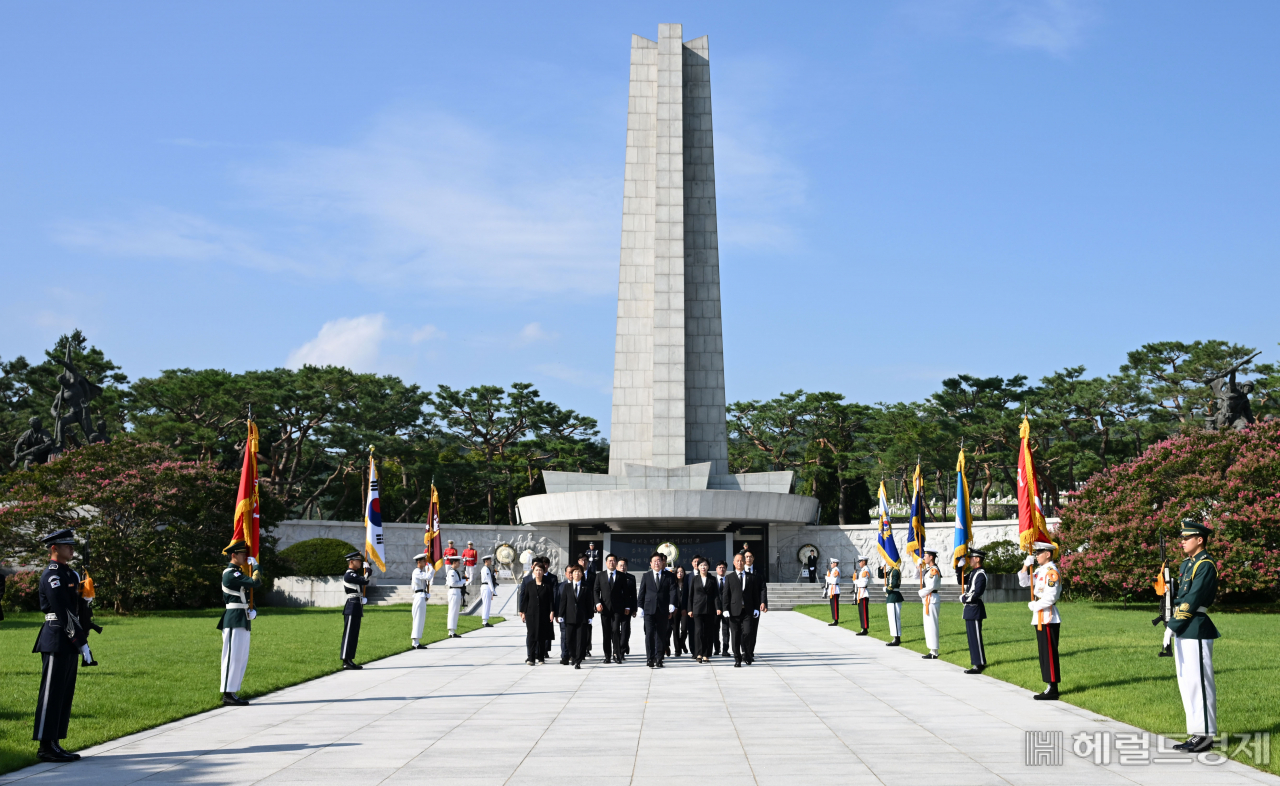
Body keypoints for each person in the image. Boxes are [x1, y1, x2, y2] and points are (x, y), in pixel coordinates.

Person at [31, 529, 86, 762]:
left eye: (72, 545)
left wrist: (87, 599)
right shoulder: (52, 574)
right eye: (67, 546)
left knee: (63, 693)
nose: (72, 549)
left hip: (69, 638)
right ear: (54, 548)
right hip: (56, 637)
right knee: (51, 694)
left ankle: (55, 741)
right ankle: (45, 746)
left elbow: (75, 607)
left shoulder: (70, 573)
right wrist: (81, 641)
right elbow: (62, 610)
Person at [1168, 520, 1220, 753]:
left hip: (1196, 626)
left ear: (1200, 540)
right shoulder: (1187, 564)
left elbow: (1193, 599)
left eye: (1186, 538)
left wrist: (1173, 624)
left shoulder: (1205, 565)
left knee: (1199, 682)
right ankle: (1196, 732)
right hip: (1185, 628)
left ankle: (1206, 735)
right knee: (1187, 683)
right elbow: (1181, 596)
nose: (1182, 541)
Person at [217, 539, 262, 706]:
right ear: (233, 555)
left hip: (242, 616)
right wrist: (256, 567)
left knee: (241, 657)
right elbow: (254, 582)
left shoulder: (238, 573)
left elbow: (245, 594)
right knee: (232, 657)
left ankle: (233, 691)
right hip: (234, 617)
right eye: (243, 554)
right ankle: (227, 693)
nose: (245, 557)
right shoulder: (230, 573)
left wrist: (253, 610)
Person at [1019, 541, 1062, 699]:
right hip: (1040, 616)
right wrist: (1025, 566)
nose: (1036, 556)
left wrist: (1036, 606)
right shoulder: (1040, 571)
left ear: (1048, 554)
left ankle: (1053, 688)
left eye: (1039, 553)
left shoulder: (1051, 571)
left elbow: (1051, 596)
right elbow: (1024, 582)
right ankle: (1049, 685)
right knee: (1044, 652)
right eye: (1036, 553)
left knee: (1049, 653)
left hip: (1048, 616)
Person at [636, 552, 676, 668]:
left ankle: (659, 658)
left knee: (660, 635)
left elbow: (672, 591)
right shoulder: (646, 576)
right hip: (649, 610)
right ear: (651, 564)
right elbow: (642, 592)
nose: (657, 563)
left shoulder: (669, 576)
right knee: (649, 634)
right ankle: (650, 658)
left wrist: (672, 604)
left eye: (659, 560)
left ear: (662, 562)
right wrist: (639, 607)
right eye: (655, 561)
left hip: (663, 609)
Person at [723, 553, 760, 667]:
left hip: (747, 611)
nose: (739, 562)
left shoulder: (751, 577)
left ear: (744, 562)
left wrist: (756, 608)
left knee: (748, 632)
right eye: (737, 561)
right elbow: (726, 595)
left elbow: (755, 594)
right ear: (734, 563)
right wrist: (725, 608)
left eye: (741, 560)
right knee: (735, 635)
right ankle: (737, 658)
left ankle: (747, 654)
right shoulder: (729, 577)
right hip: (734, 611)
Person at [594, 553, 629, 663]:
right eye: (610, 561)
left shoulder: (621, 576)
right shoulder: (600, 575)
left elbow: (626, 593)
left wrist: (627, 606)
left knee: (615, 631)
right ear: (606, 563)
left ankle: (617, 654)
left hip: (618, 609)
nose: (612, 562)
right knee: (606, 632)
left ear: (616, 563)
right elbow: (595, 590)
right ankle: (607, 655)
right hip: (604, 609)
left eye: (614, 560)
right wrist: (597, 603)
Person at [518, 562, 555, 665]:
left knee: (542, 636)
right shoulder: (529, 584)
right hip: (531, 614)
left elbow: (551, 600)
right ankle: (531, 658)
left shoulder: (547, 585)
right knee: (531, 635)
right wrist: (523, 612)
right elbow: (525, 599)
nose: (538, 572)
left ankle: (541, 657)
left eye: (540, 570)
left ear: (543, 572)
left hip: (544, 614)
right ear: (533, 571)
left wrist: (552, 611)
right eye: (536, 570)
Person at [558, 564, 593, 668]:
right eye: (574, 572)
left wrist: (590, 616)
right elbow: (563, 601)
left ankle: (578, 660)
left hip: (582, 618)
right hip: (569, 617)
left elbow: (589, 603)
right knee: (569, 640)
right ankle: (573, 655)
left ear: (582, 574)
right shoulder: (567, 587)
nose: (577, 574)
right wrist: (561, 614)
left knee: (581, 640)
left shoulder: (586, 587)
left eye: (579, 572)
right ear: (571, 574)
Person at [340, 551, 370, 670]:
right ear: (351, 562)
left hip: (356, 606)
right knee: (349, 634)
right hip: (351, 606)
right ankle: (345, 660)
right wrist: (368, 572)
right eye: (358, 560)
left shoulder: (354, 574)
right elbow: (364, 581)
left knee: (354, 635)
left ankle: (350, 659)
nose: (360, 562)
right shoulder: (349, 574)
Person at [961, 549, 988, 674]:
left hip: (975, 607)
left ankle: (979, 663)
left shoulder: (981, 574)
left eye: (971, 557)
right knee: (972, 638)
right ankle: (976, 662)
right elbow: (960, 580)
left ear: (977, 559)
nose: (969, 559)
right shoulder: (973, 572)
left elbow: (978, 592)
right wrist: (958, 569)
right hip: (969, 609)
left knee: (976, 637)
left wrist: (965, 598)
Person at [687, 558, 720, 662]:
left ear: (708, 567)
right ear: (698, 567)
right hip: (697, 609)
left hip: (710, 609)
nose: (703, 567)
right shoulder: (694, 579)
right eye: (701, 565)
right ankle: (699, 653)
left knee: (708, 632)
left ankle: (706, 654)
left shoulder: (713, 579)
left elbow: (716, 595)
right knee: (698, 631)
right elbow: (690, 595)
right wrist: (690, 609)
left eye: (705, 565)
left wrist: (718, 607)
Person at [743, 551, 767, 660]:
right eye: (746, 557)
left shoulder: (759, 572)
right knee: (742, 630)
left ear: (753, 558)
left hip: (754, 605)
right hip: (741, 606)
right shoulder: (739, 572)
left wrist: (763, 602)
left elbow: (763, 588)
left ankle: (750, 651)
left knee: (753, 629)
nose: (748, 558)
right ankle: (744, 651)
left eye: (750, 556)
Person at [918, 550, 942, 659]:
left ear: (931, 557)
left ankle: (934, 651)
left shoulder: (933, 570)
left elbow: (931, 586)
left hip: (931, 598)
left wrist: (921, 593)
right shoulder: (928, 570)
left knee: (932, 625)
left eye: (926, 556)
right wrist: (917, 567)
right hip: (928, 599)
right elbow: (916, 577)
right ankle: (932, 649)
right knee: (928, 625)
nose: (924, 558)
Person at [410, 552, 434, 648]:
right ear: (419, 562)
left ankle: (417, 641)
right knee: (418, 619)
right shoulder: (416, 571)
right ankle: (415, 642)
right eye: (424, 561)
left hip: (421, 595)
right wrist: (431, 569)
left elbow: (424, 583)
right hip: (418, 597)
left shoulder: (420, 572)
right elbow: (428, 577)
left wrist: (426, 593)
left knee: (421, 619)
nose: (425, 562)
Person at [669, 566, 690, 657]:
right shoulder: (673, 583)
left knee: (684, 629)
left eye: (681, 572)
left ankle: (682, 643)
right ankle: (678, 650)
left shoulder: (687, 583)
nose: (680, 573)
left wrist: (686, 608)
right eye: (678, 572)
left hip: (684, 609)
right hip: (675, 610)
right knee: (675, 630)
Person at [617, 558, 635, 657]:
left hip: (627, 608)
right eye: (620, 565)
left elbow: (633, 595)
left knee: (625, 629)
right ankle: (620, 646)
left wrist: (634, 609)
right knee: (615, 629)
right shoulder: (614, 577)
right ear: (617, 566)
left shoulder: (631, 578)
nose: (622, 567)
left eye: (624, 565)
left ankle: (623, 648)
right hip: (616, 608)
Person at [444, 556, 466, 638]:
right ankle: (451, 631)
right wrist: (462, 582)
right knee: (452, 611)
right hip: (453, 591)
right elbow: (453, 583)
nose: (459, 563)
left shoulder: (455, 571)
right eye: (458, 562)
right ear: (454, 562)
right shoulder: (452, 572)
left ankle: (452, 630)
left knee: (455, 611)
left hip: (457, 591)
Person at [714, 561, 731, 656]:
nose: (722, 569)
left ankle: (725, 649)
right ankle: (716, 648)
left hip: (726, 610)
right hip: (715, 610)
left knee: (726, 630)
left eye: (724, 567)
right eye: (720, 567)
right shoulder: (713, 580)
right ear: (716, 569)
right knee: (715, 630)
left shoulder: (729, 579)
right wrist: (717, 607)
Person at [854, 557, 872, 635]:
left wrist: (855, 581)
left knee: (864, 611)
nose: (859, 563)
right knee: (861, 611)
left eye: (860, 561)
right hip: (861, 592)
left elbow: (863, 583)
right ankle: (863, 628)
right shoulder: (863, 570)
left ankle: (865, 629)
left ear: (864, 562)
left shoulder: (865, 571)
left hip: (863, 593)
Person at [822, 557, 841, 626]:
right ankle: (834, 619)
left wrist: (827, 578)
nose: (831, 564)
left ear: (835, 564)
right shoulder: (833, 570)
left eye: (832, 563)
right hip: (832, 589)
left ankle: (836, 620)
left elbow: (834, 581)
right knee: (832, 605)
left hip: (835, 589)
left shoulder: (836, 570)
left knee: (835, 605)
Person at [479, 555, 497, 627]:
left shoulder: (487, 569)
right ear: (486, 561)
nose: (491, 562)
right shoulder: (485, 569)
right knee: (486, 603)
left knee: (487, 604)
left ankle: (485, 620)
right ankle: (484, 621)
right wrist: (493, 591)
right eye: (490, 560)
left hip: (486, 587)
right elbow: (489, 580)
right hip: (486, 586)